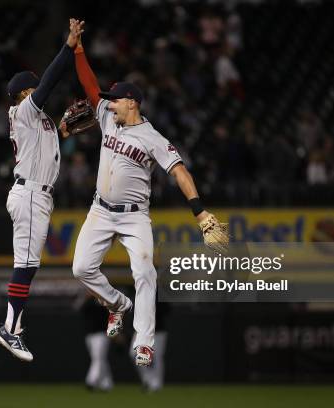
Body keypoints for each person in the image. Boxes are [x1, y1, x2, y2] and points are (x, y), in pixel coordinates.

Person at [70, 27, 221, 367]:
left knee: (145, 273)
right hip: (100, 209)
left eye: (117, 98)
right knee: (81, 268)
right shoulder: (108, 117)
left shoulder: (152, 137)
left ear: (132, 102)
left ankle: (144, 341)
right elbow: (90, 86)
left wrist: (199, 211)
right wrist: (78, 51)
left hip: (134, 216)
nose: (110, 101)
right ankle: (117, 305)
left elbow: (180, 171)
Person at [0, 19, 85, 362]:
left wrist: (62, 129)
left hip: (36, 194)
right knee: (27, 263)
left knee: (28, 263)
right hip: (30, 193)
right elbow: (49, 82)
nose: (38, 93)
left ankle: (11, 326)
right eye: (33, 89)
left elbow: (48, 142)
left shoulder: (38, 120)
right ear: (24, 93)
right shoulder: (24, 110)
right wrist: (69, 46)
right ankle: (10, 328)